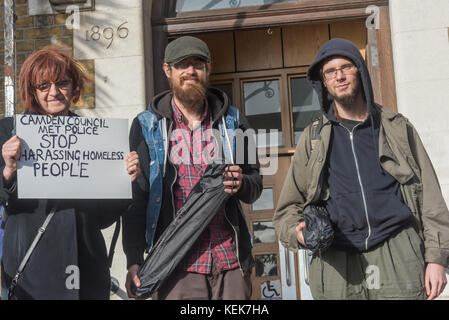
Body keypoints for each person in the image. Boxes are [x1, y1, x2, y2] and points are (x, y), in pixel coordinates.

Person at [273, 38, 449, 300]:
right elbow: (287, 209)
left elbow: (431, 198)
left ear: (360, 71)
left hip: (396, 252)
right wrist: (297, 233)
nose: (339, 76)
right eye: (331, 72)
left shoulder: (397, 128)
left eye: (346, 67)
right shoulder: (312, 139)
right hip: (337, 264)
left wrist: (436, 259)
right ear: (323, 82)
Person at [123, 36, 262, 300]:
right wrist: (133, 258)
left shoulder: (234, 121)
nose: (190, 71)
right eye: (181, 65)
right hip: (176, 265)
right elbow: (137, 197)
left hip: (229, 261)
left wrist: (241, 182)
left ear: (208, 68)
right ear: (167, 71)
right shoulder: (146, 126)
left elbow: (255, 184)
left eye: (197, 64)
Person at [0, 46, 140, 300]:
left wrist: (124, 182)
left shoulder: (95, 137)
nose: (53, 92)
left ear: (74, 88)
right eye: (43, 86)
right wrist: (8, 169)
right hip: (32, 277)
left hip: (86, 272)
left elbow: (101, 219)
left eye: (62, 83)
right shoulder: (7, 131)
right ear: (31, 91)